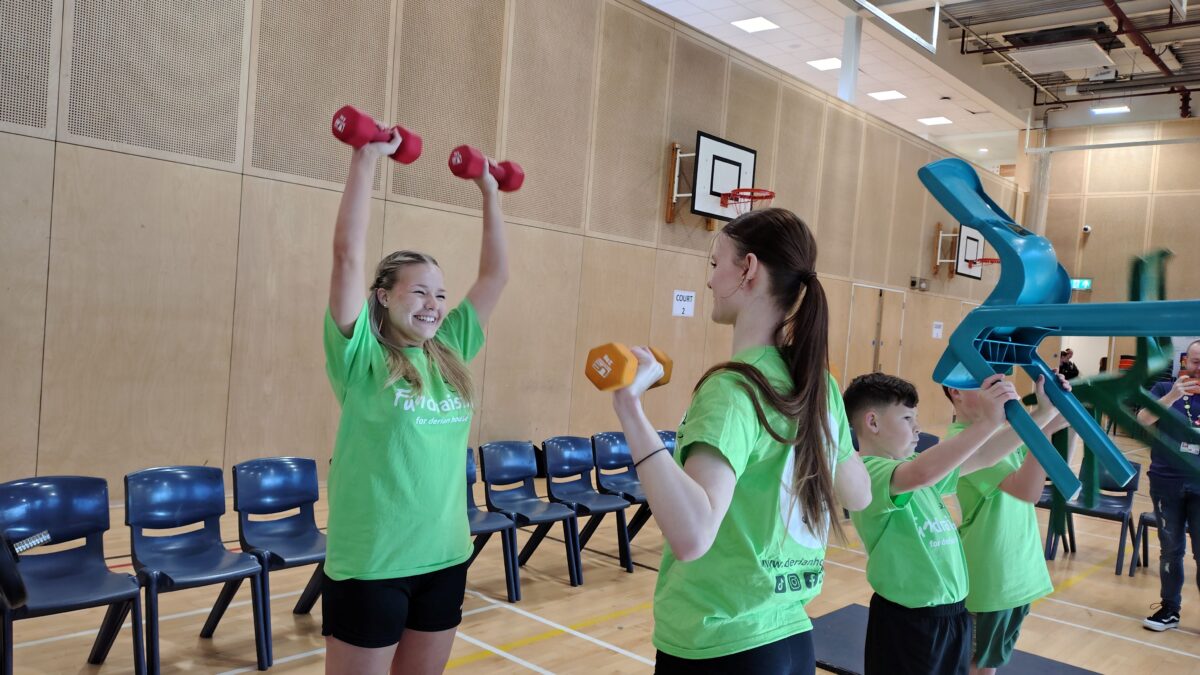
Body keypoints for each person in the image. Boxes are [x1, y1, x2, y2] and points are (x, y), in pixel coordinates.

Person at [607, 208, 871, 674]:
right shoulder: (817, 384)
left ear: (747, 269)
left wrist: (630, 408)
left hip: (721, 644)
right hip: (791, 640)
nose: (710, 281)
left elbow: (692, 536)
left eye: (716, 265)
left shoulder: (732, 389)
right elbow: (859, 492)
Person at [321, 128, 508, 674]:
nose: (434, 305)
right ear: (384, 295)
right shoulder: (361, 356)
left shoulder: (449, 348)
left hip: (446, 556)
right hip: (373, 565)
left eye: (441, 294)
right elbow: (347, 255)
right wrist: (366, 159)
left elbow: (495, 275)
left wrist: (489, 192)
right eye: (420, 291)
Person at [843, 371, 1019, 675]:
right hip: (910, 623)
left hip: (951, 617)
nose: (917, 428)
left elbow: (986, 455)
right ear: (872, 423)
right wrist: (987, 422)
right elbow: (924, 473)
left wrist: (1044, 415)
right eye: (907, 419)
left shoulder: (915, 470)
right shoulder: (868, 472)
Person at [948, 374, 1070, 675]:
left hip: (1017, 570)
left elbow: (1055, 460)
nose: (1003, 391)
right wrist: (1044, 420)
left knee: (988, 663)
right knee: (974, 665)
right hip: (990, 574)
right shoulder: (959, 441)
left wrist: (1061, 408)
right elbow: (1027, 490)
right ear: (956, 392)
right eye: (987, 386)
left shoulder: (1004, 436)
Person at [1137, 339, 1200, 632]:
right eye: (1196, 362)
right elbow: (1143, 420)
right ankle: (1169, 609)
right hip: (1166, 482)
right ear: (1185, 360)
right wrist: (1172, 396)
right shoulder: (1164, 389)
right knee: (1170, 550)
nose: (1199, 368)